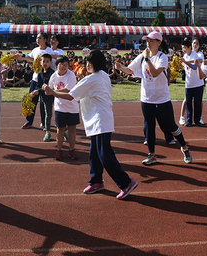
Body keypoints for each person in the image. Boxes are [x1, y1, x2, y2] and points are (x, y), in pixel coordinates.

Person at [43, 50, 138, 199]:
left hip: (100, 121)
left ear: (92, 64)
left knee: (104, 155)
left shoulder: (92, 79)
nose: (86, 64)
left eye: (88, 62)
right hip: (98, 120)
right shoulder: (103, 76)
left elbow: (70, 95)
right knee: (94, 154)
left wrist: (52, 92)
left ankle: (125, 182)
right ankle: (96, 181)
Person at [115, 31, 192, 165]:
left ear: (159, 43)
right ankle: (152, 154)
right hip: (147, 98)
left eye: (151, 41)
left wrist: (146, 59)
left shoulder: (162, 57)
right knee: (150, 126)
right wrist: (121, 67)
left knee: (171, 126)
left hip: (162, 99)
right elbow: (130, 70)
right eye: (147, 41)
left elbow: (155, 73)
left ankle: (184, 147)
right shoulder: (142, 56)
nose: (148, 44)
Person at [17, 32, 53, 129]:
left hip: (45, 80)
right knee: (31, 99)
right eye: (37, 38)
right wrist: (22, 56)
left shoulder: (49, 51)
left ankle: (44, 122)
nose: (37, 40)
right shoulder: (35, 50)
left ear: (45, 40)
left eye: (40, 38)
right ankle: (29, 121)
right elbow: (31, 58)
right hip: (35, 79)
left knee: (43, 102)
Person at [48, 55, 79, 160]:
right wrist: (49, 91)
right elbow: (48, 90)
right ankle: (59, 150)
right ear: (57, 65)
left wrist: (52, 92)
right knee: (60, 129)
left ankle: (72, 149)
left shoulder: (71, 75)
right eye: (61, 65)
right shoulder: (53, 76)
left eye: (66, 65)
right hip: (59, 108)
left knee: (72, 129)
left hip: (72, 107)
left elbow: (67, 90)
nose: (64, 67)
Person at [179, 38, 205, 127]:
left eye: (185, 48)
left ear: (189, 47)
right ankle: (189, 120)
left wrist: (186, 63)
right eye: (182, 48)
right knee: (188, 103)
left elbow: (195, 67)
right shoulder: (185, 56)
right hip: (189, 84)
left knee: (197, 103)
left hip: (198, 83)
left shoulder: (196, 55)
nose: (183, 50)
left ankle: (197, 120)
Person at [31, 53, 55, 141]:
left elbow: (49, 86)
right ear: (40, 62)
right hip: (45, 98)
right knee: (47, 114)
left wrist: (39, 90)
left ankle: (65, 132)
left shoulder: (52, 74)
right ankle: (47, 132)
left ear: (51, 63)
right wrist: (35, 91)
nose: (45, 63)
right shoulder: (40, 73)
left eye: (47, 61)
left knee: (58, 114)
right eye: (43, 61)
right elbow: (39, 85)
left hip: (55, 96)